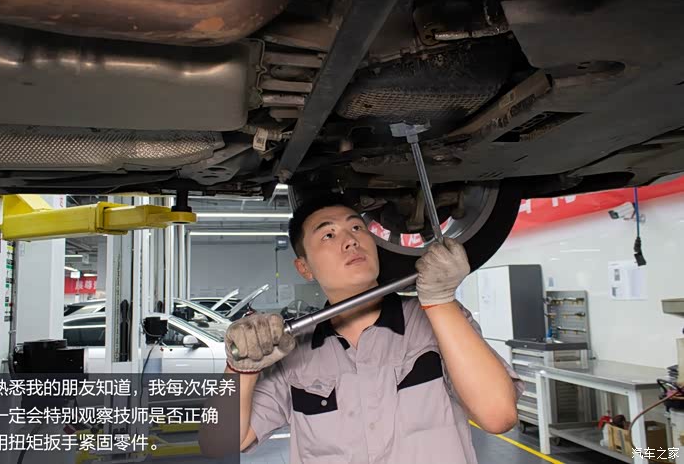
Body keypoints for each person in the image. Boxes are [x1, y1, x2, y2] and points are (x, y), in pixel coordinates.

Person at [200, 193, 524, 463]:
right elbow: (218, 445)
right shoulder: (294, 353)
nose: (351, 241)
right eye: (328, 235)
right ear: (304, 267)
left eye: (357, 227)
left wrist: (440, 302)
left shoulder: (435, 319)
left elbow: (498, 415)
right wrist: (240, 371)